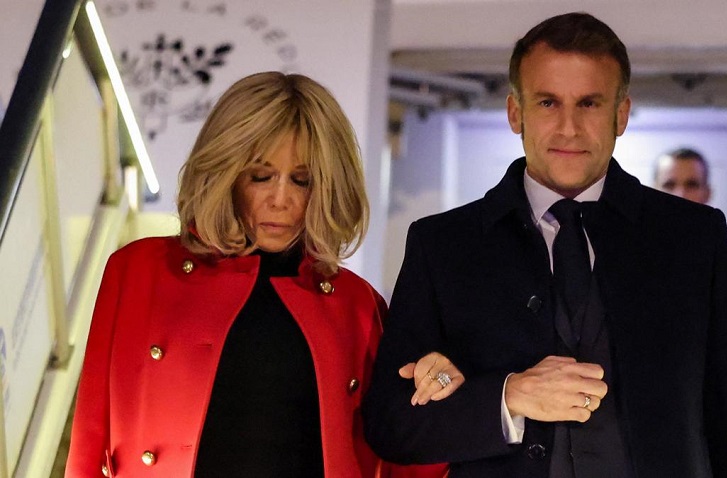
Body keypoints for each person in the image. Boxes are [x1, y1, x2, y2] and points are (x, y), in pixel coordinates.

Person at [363, 12, 727, 477]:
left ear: (621, 114)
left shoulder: (693, 237)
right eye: (547, 103)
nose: (569, 128)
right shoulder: (443, 244)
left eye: (589, 103)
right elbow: (390, 424)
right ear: (515, 112)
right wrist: (507, 396)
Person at [65, 72, 449, 478]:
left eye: (302, 181)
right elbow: (89, 444)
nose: (281, 199)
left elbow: (402, 457)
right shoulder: (139, 271)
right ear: (224, 172)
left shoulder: (357, 305)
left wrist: (440, 390)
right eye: (260, 176)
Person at [654, 147, 727, 319]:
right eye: (669, 185)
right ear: (652, 191)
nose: (680, 195)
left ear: (707, 193)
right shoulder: (631, 264)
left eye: (691, 185)